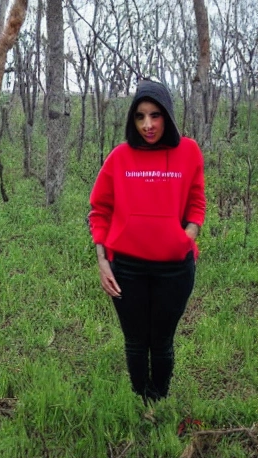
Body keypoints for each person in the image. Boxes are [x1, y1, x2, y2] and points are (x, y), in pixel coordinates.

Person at [88, 79, 206, 405]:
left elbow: (196, 201)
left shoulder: (188, 152)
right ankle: (142, 403)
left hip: (175, 268)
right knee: (137, 341)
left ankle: (160, 400)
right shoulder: (119, 158)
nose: (148, 125)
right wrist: (102, 262)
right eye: (140, 117)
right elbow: (99, 211)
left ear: (167, 115)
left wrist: (187, 236)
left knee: (163, 341)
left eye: (155, 115)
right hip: (126, 267)